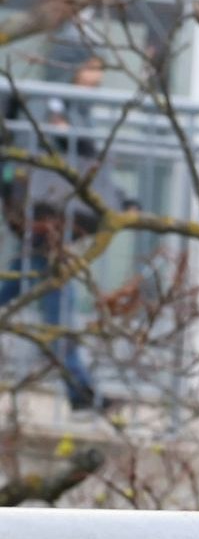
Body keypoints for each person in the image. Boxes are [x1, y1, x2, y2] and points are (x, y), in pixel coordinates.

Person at [2, 57, 111, 413]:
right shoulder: (47, 102)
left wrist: (125, 201)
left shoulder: (78, 110)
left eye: (99, 70)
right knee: (56, 301)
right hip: (43, 215)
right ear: (71, 67)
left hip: (53, 215)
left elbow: (90, 167)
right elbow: (38, 155)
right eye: (90, 67)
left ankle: (79, 389)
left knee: (20, 284)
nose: (96, 77)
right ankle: (79, 388)